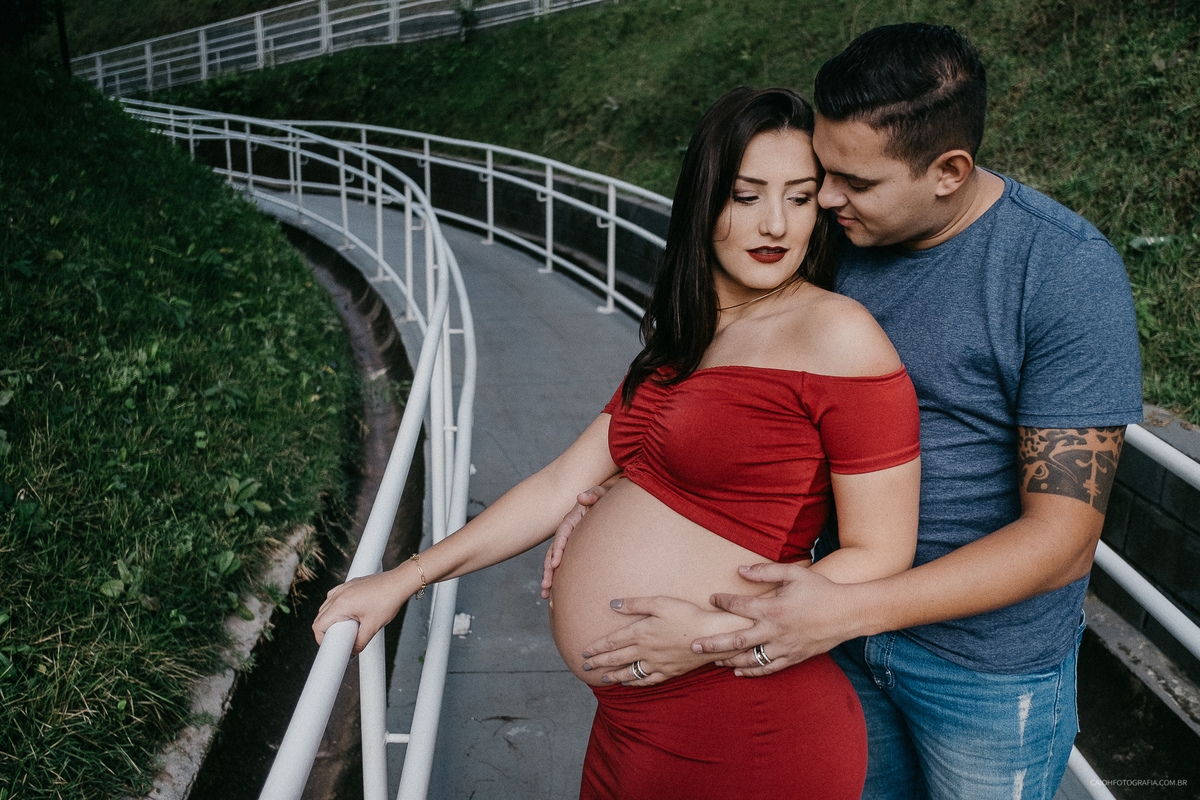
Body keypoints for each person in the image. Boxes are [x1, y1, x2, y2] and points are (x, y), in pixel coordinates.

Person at [548, 24, 1143, 800]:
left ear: (948, 171)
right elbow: (735, 391)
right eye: (822, 174)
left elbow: (1061, 542)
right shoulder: (825, 232)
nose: (824, 200)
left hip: (978, 669)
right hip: (827, 638)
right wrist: (621, 495)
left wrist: (834, 610)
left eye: (852, 183)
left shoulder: (1063, 274)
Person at [314, 86, 923, 799]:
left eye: (798, 197)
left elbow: (883, 553)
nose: (775, 224)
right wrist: (403, 579)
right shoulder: (684, 341)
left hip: (746, 724)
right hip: (630, 726)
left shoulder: (837, 334)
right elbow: (559, 483)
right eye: (747, 194)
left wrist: (711, 633)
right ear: (705, 199)